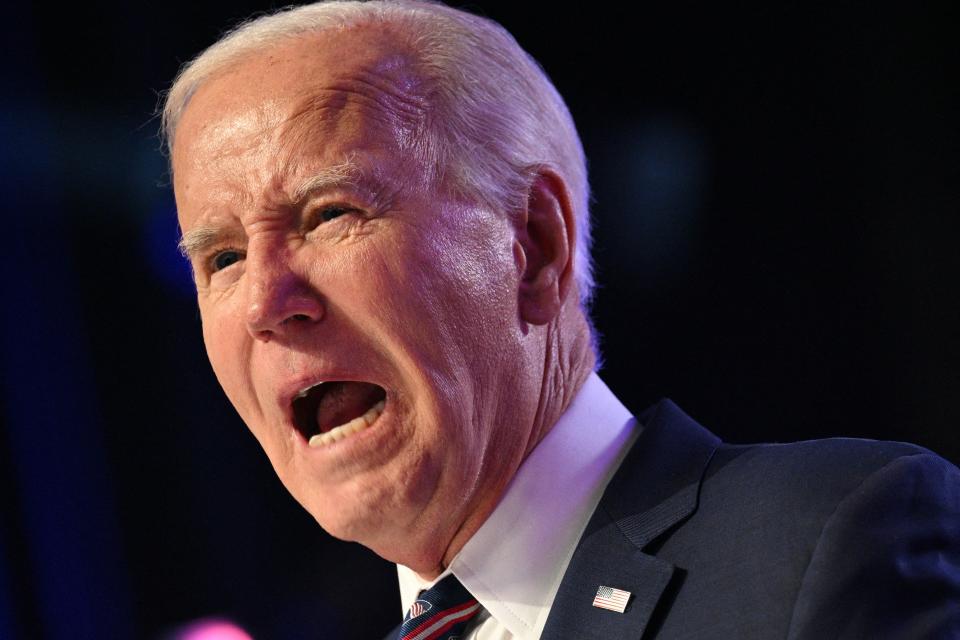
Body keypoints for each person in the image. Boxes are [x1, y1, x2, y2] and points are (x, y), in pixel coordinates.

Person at [163, 1, 960, 637]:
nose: (266, 303)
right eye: (222, 260)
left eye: (331, 213)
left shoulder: (824, 540)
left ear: (535, 246)